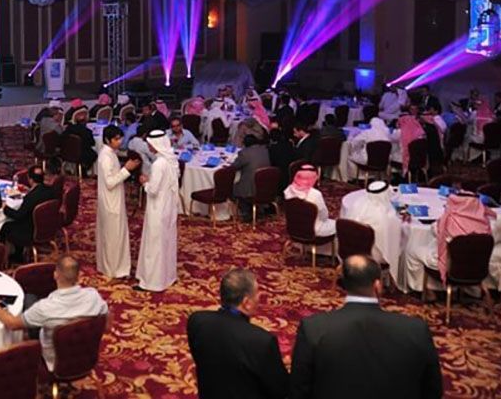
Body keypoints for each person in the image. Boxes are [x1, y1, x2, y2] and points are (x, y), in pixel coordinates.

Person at [290, 255, 442, 399]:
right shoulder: (416, 329)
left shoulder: (313, 328)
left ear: (344, 285)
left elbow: (299, 389)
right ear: (377, 285)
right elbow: (433, 389)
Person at [0, 255, 108, 371]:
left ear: (55, 275)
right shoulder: (94, 296)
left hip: (54, 361)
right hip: (85, 354)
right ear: (78, 276)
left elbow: (12, 324)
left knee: (29, 300)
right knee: (30, 299)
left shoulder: (44, 308)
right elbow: (107, 323)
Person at [187, 268, 288, 399]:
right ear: (246, 303)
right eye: (257, 293)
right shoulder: (262, 341)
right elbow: (280, 389)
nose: (259, 297)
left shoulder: (197, 320)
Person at [405, 192, 494, 294]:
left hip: (451, 266)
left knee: (412, 251)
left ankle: (424, 290)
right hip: (477, 268)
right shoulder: (485, 222)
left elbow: (434, 231)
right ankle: (472, 290)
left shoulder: (449, 220)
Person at [135, 130, 179, 292]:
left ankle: (152, 282)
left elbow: (153, 190)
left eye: (149, 143)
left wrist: (144, 182)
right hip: (168, 206)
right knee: (166, 241)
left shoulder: (159, 164)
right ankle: (167, 277)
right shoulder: (171, 159)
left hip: (157, 208)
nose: (148, 146)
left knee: (154, 244)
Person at [95, 126, 139, 279]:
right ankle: (114, 269)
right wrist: (127, 169)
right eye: (116, 139)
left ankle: (115, 266)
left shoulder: (109, 153)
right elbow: (110, 182)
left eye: (120, 138)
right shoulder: (106, 157)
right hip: (110, 201)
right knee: (113, 236)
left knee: (114, 235)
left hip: (113, 199)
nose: (119, 142)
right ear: (107, 140)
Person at [0, 165, 57, 263]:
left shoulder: (32, 197)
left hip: (31, 230)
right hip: (48, 227)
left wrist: (5, 208)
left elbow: (18, 215)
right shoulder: (51, 191)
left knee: (5, 226)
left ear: (30, 179)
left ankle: (10, 258)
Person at [345, 180, 402, 273]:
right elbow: (391, 239)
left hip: (349, 249)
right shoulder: (386, 216)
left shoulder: (357, 204)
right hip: (371, 255)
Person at [284, 165, 336, 254]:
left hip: (294, 229)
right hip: (315, 231)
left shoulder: (288, 190)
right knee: (338, 224)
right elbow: (324, 215)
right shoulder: (315, 194)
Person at [229, 134, 271, 208]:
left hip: (250, 187)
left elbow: (234, 166)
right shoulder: (265, 150)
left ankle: (244, 209)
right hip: (265, 184)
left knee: (230, 186)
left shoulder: (245, 153)